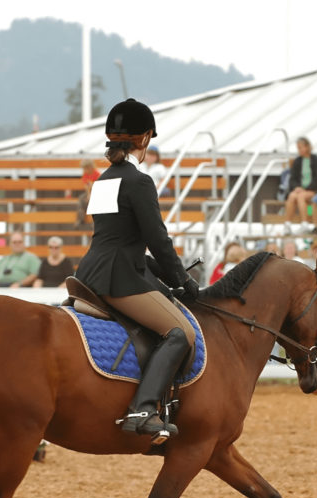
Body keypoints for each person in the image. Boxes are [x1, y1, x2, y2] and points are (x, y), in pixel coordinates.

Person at [73, 98, 200, 439]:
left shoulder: (102, 181)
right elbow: (157, 240)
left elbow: (119, 239)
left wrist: (161, 276)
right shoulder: (139, 181)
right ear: (144, 139)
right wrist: (184, 280)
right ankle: (143, 408)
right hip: (118, 277)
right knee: (180, 333)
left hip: (90, 271)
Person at [284, 137, 317, 233]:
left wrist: (306, 189)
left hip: (313, 190)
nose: (299, 150)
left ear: (307, 147)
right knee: (292, 196)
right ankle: (287, 224)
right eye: (298, 148)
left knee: (301, 196)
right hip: (300, 189)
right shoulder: (297, 161)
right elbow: (292, 178)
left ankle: (305, 224)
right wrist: (297, 187)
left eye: (300, 147)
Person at [77, 158, 101, 226]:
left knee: (95, 201)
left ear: (90, 167)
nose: (85, 170)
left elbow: (98, 185)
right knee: (81, 198)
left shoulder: (97, 173)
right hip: (89, 193)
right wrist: (88, 194)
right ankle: (80, 219)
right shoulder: (85, 174)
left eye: (86, 168)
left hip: (97, 193)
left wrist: (91, 194)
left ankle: (95, 220)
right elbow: (86, 186)